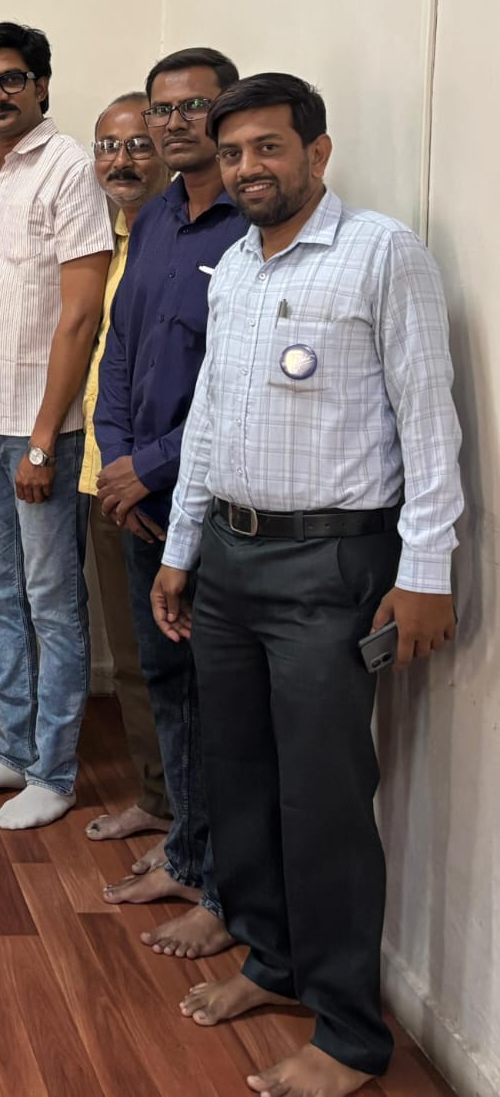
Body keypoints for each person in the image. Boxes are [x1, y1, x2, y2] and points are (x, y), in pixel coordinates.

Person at [156, 74, 461, 1097]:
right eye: (232, 152)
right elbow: (208, 419)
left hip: (332, 566)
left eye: (268, 148)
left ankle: (349, 1035)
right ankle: (273, 958)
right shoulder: (235, 266)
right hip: (230, 559)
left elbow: (429, 423)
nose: (247, 167)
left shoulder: (381, 254)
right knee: (238, 774)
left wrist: (426, 570)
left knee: (323, 799)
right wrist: (181, 549)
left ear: (316, 153)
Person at [94, 48, 246, 960]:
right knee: (166, 684)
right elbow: (119, 352)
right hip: (140, 500)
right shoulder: (152, 219)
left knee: (216, 698)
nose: (175, 122)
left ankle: (222, 881)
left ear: (227, 113)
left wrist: (147, 467)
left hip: (209, 506)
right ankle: (187, 855)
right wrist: (117, 461)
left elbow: (238, 388)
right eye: (163, 108)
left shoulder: (251, 226)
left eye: (195, 106)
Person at [0, 22, 113, 828]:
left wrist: (44, 441)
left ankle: (54, 771)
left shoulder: (70, 167)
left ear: (42, 85)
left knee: (51, 600)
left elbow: (81, 315)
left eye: (12, 79)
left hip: (41, 431)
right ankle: (10, 749)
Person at [78, 91, 171, 847]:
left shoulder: (190, 239)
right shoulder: (105, 236)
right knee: (135, 658)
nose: (122, 160)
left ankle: (191, 823)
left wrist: (144, 468)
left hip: (163, 484)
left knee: (176, 657)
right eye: (108, 146)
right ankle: (159, 799)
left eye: (138, 143)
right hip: (102, 477)